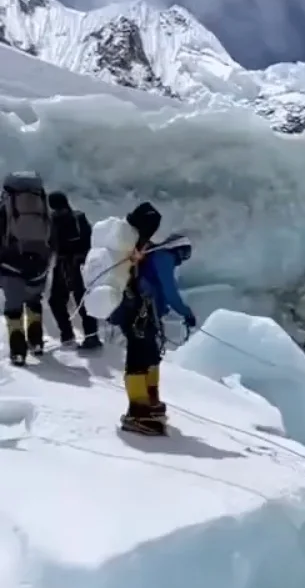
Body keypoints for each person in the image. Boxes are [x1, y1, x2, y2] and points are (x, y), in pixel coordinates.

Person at [109, 201, 196, 435]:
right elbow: (169, 290)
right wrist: (186, 313)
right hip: (139, 313)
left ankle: (148, 402)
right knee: (140, 356)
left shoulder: (151, 254)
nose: (183, 259)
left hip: (141, 312)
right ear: (178, 248)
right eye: (184, 253)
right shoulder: (163, 257)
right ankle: (138, 410)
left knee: (148, 354)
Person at [0, 171, 53, 365]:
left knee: (13, 308)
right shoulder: (43, 210)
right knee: (33, 301)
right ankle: (36, 342)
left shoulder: (4, 209)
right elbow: (52, 238)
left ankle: (18, 352)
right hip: (39, 264)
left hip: (10, 265)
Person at [47, 191, 102, 350]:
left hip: (64, 266)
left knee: (56, 301)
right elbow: (92, 240)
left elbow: (50, 244)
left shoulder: (53, 221)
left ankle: (67, 335)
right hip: (82, 265)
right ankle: (92, 337)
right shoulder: (80, 217)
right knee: (83, 300)